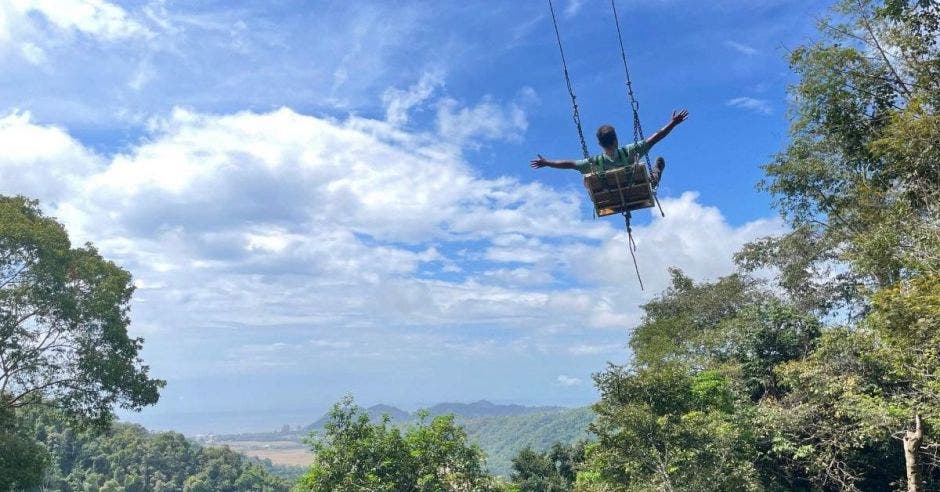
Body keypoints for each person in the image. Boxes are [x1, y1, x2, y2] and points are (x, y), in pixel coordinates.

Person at [530, 109, 689, 187]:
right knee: (652, 180)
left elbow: (570, 164)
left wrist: (547, 163)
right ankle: (657, 171)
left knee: (593, 180)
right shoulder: (630, 151)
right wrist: (673, 123)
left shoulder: (594, 162)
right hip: (636, 188)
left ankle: (655, 172)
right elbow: (656, 137)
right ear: (616, 140)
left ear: (599, 144)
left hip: (609, 198)